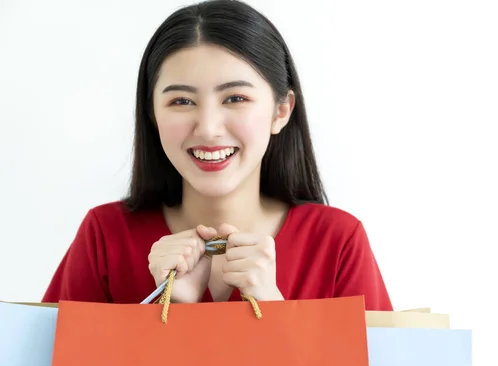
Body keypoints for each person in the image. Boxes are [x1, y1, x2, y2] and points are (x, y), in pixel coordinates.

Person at [42, 0, 393, 311]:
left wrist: (276, 311)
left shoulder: (338, 242)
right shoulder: (105, 236)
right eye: (181, 101)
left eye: (235, 98)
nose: (208, 128)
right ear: (152, 113)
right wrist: (167, 310)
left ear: (281, 110)